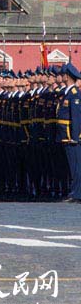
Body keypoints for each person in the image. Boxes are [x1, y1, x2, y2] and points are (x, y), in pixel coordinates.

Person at [60, 63, 81, 203]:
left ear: (67, 76)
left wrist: (74, 137)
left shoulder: (74, 94)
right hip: (65, 136)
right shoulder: (67, 93)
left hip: (71, 137)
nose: (61, 76)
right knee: (72, 166)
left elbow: (76, 117)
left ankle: (76, 193)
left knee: (76, 167)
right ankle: (75, 192)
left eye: (63, 74)